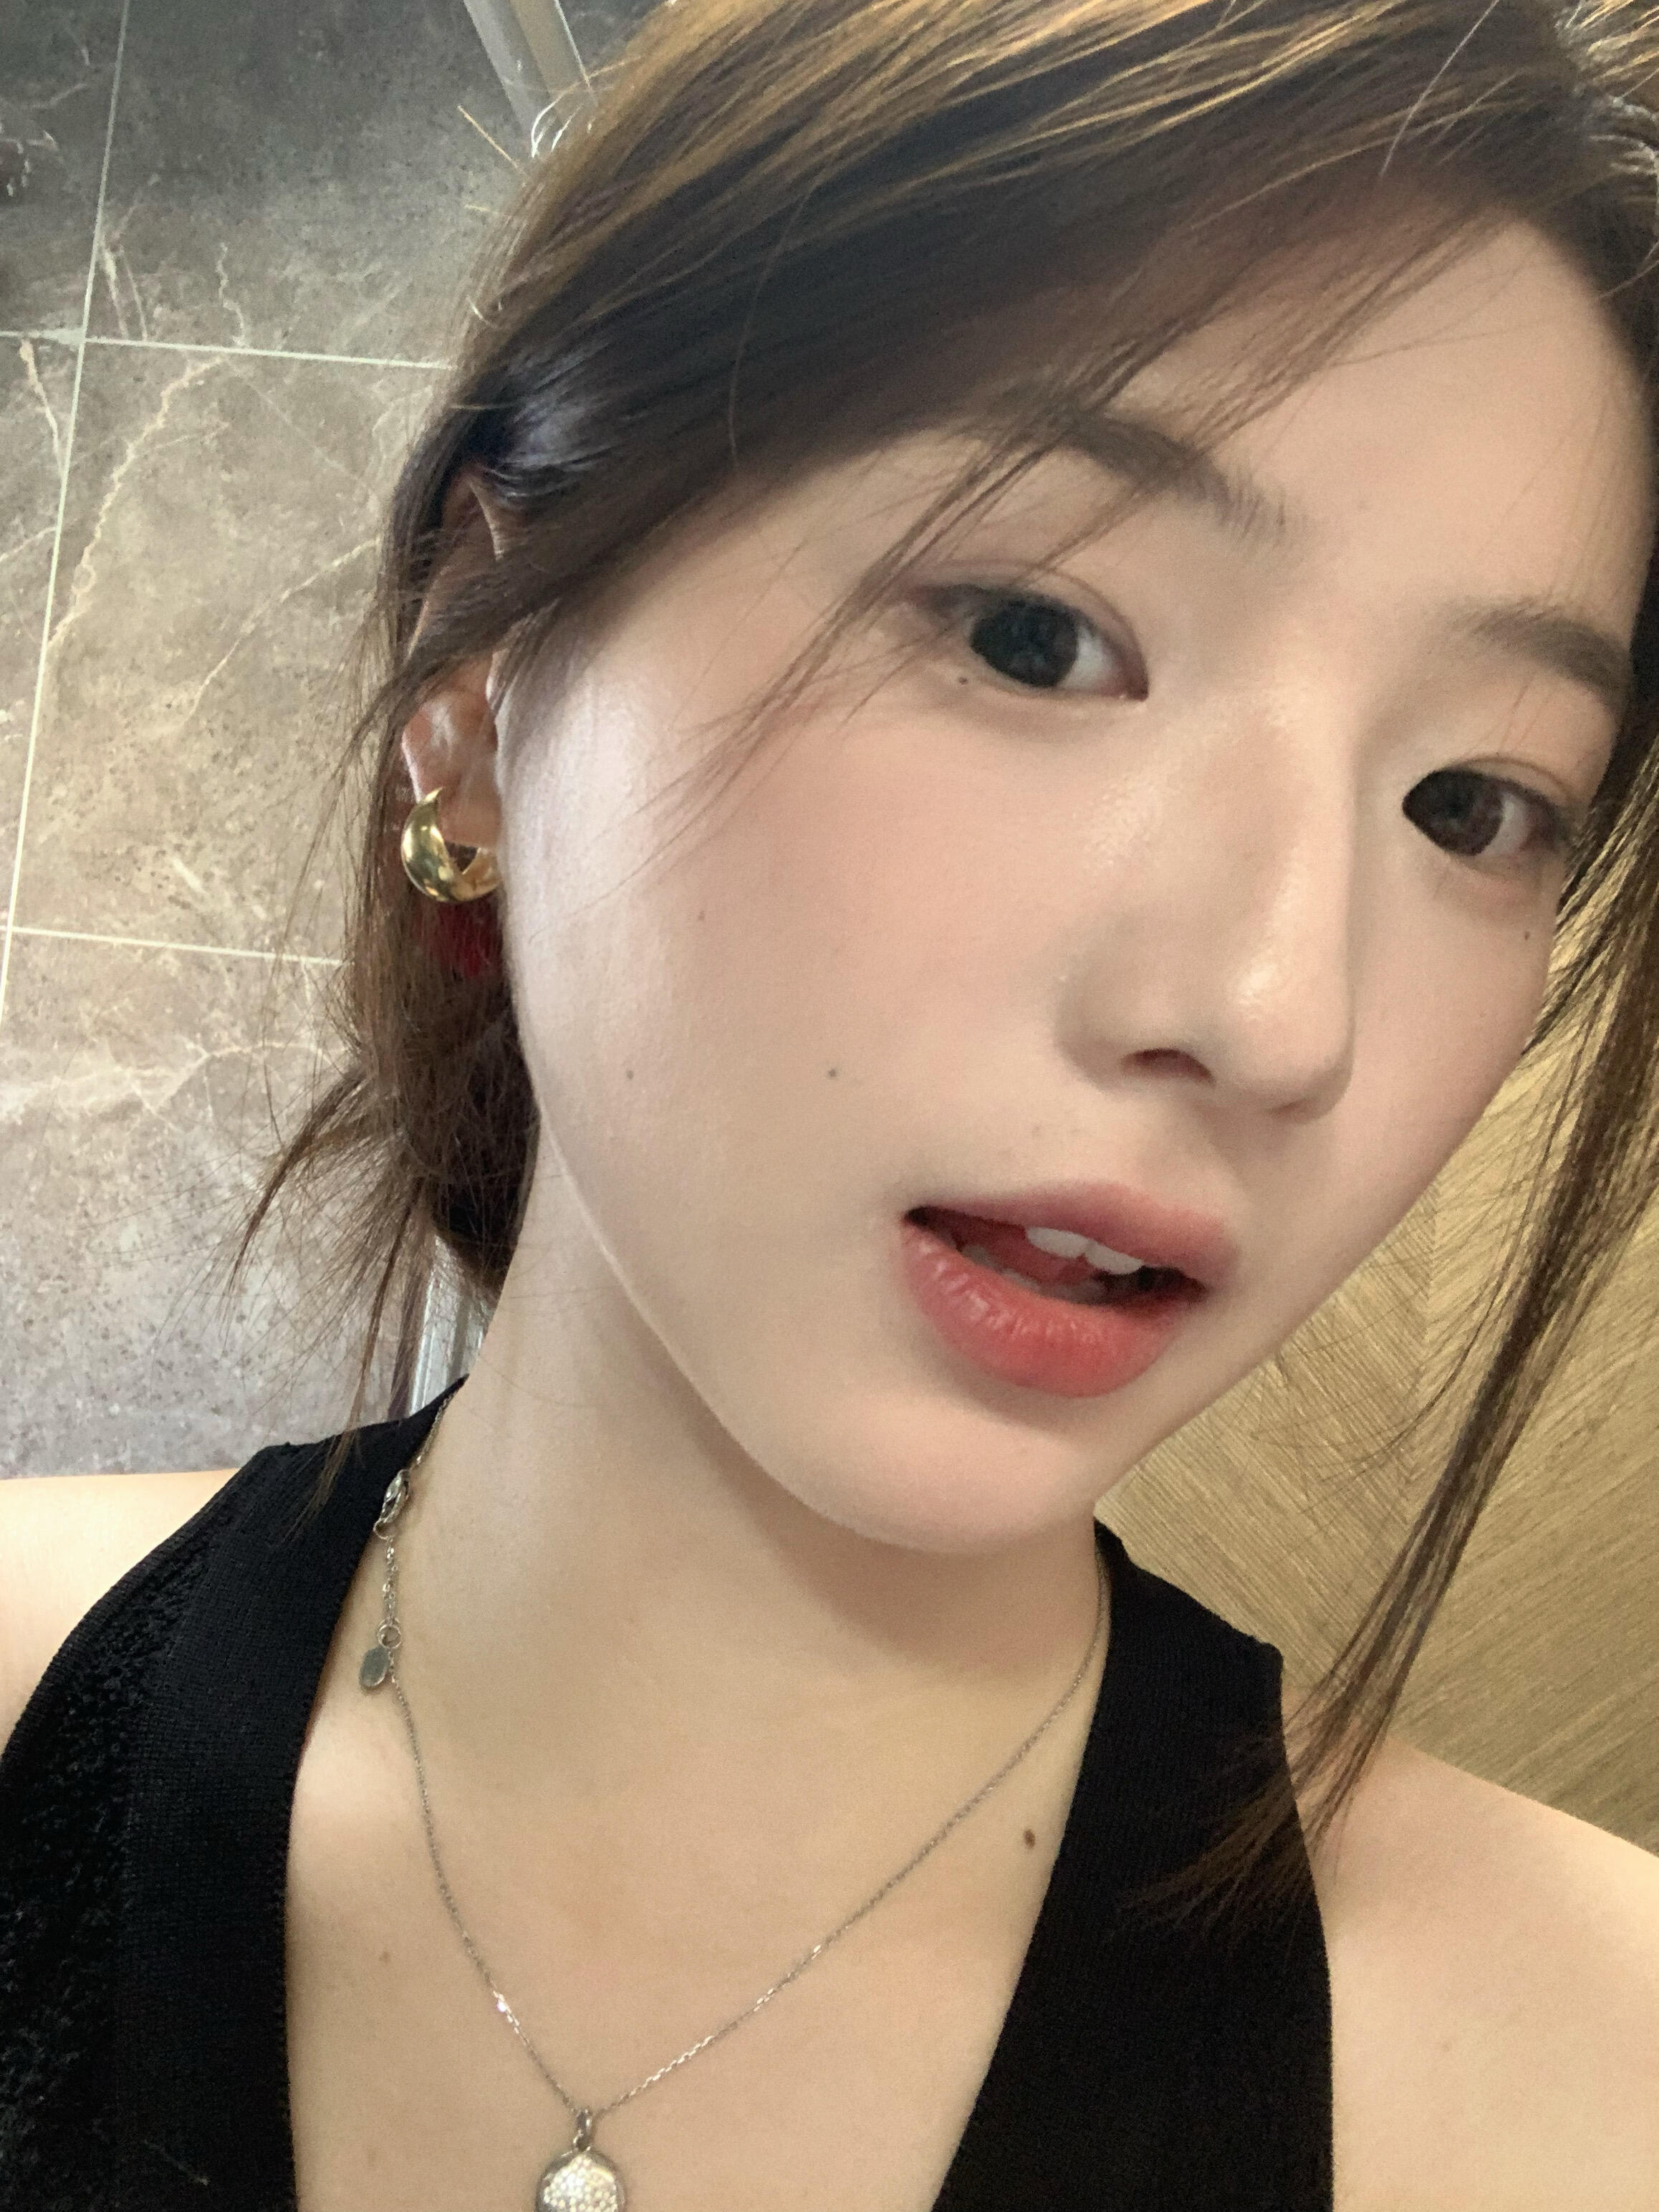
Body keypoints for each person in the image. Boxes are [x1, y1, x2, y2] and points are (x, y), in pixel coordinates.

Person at [4, 0, 1658, 2206]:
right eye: (1032, 636)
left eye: (1469, 802)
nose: (1277, 1014)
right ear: (480, 684)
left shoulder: (1593, 2091)